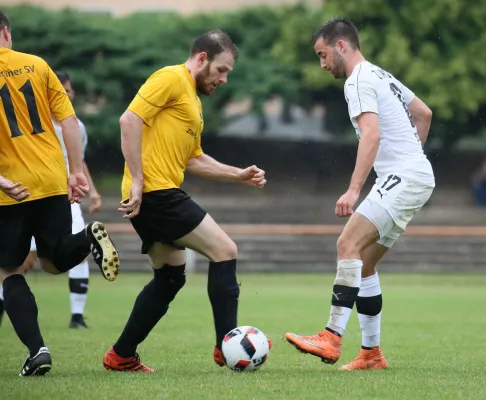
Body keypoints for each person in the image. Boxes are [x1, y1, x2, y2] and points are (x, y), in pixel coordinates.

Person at [102, 30, 269, 373]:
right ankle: (227, 346)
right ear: (202, 58)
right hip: (156, 194)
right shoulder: (170, 78)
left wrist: (238, 175)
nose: (223, 79)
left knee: (170, 278)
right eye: (221, 70)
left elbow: (192, 159)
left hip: (156, 194)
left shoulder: (192, 100)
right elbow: (129, 120)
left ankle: (121, 355)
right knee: (225, 250)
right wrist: (137, 179)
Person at [285, 17, 435, 370]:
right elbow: (424, 114)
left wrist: (354, 190)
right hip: (416, 175)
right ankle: (371, 354)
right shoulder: (380, 74)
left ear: (341, 46)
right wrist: (414, 159)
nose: (322, 65)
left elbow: (372, 135)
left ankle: (331, 336)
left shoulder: (357, 81)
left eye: (323, 55)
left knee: (346, 245)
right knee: (364, 264)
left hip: (404, 176)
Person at [0, 11, 119, 377]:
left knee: (7, 271)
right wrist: (76, 171)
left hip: (11, 190)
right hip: (52, 182)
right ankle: (87, 238)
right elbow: (69, 120)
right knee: (53, 262)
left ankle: (37, 351)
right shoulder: (37, 65)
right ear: (6, 32)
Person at [0, 71, 102, 330]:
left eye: (69, 90)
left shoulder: (75, 126)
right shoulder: (41, 122)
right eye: (64, 90)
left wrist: (91, 188)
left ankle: (76, 317)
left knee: (19, 264)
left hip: (55, 193)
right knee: (35, 262)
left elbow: (79, 160)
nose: (68, 94)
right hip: (47, 192)